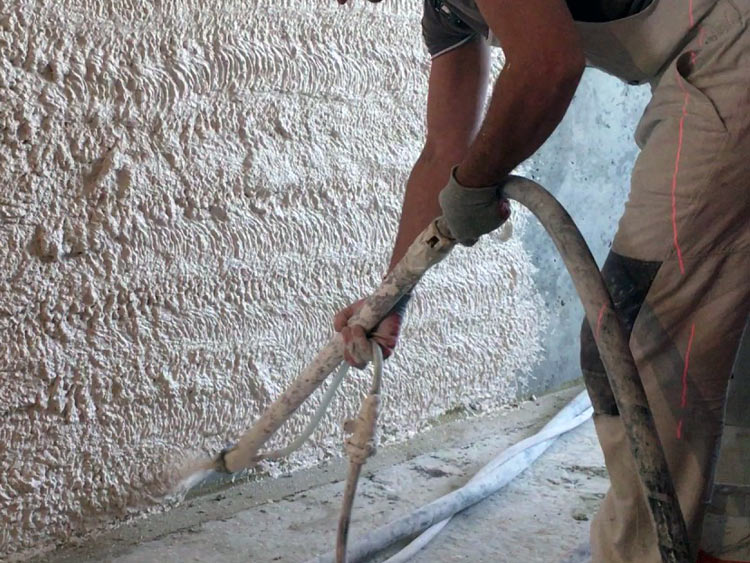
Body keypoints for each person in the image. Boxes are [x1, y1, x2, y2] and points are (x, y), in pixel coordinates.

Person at [332, 0, 750, 561]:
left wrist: (474, 183)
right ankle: (726, 538)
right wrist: (393, 296)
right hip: (700, 57)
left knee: (634, 336)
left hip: (730, 45)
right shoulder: (446, 12)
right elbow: (443, 151)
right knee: (705, 322)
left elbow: (548, 64)